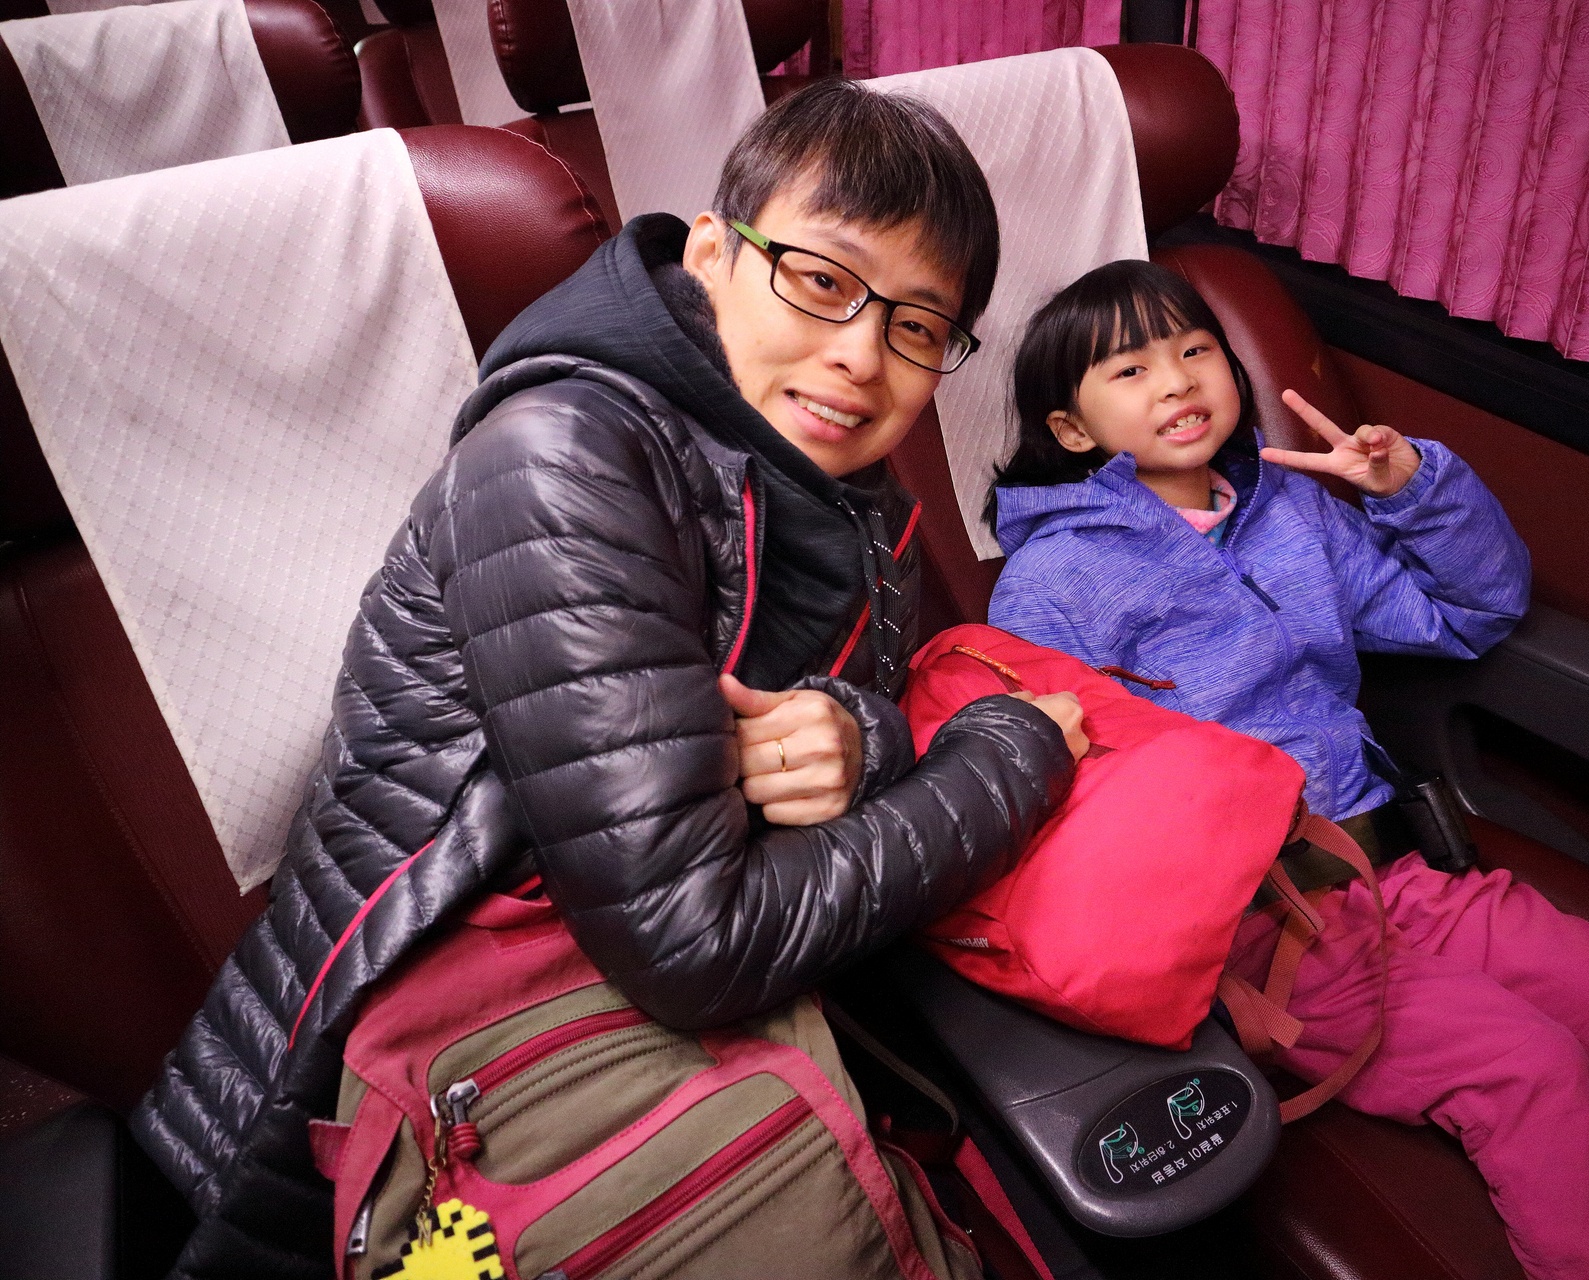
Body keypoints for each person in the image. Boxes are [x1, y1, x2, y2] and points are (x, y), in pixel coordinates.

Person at [132, 81, 1088, 1279]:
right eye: (821, 279)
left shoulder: (832, 484)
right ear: (711, 254)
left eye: (917, 325)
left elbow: (830, 710)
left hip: (654, 963)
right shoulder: (562, 464)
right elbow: (695, 943)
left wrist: (861, 736)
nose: (860, 353)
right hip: (438, 1041)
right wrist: (1009, 758)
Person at [984, 259, 1589, 1280]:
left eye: (1194, 349)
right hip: (1265, 928)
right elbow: (1050, 796)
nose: (1179, 379)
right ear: (1071, 429)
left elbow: (1469, 613)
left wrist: (1412, 491)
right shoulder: (1053, 582)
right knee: (1529, 1068)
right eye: (1131, 369)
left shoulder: (1289, 509)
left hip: (1404, 873)